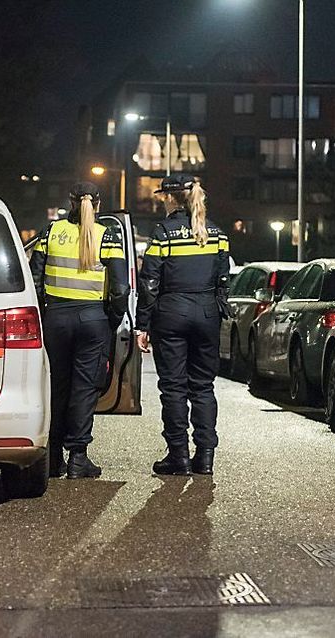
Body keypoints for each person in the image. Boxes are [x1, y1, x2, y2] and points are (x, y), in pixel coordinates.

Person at [29, 182, 129, 479]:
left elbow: (35, 279)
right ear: (97, 204)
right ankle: (78, 458)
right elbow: (121, 289)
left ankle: (54, 457)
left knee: (56, 387)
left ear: (70, 201)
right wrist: (111, 320)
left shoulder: (51, 232)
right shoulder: (106, 236)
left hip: (56, 320)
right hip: (93, 320)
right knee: (84, 389)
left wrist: (43, 315)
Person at [135, 175, 231, 476]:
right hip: (206, 314)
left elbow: (149, 280)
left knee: (174, 388)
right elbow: (223, 277)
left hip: (172, 313)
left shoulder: (164, 233)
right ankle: (205, 457)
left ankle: (178, 456)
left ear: (171, 198)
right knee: (203, 387)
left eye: (164, 197)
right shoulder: (216, 232)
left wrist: (142, 325)